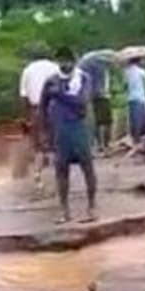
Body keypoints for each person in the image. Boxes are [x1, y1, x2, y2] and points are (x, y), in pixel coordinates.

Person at [40, 48, 97, 223]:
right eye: (62, 60)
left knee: (87, 168)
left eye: (69, 60)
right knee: (61, 170)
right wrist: (45, 132)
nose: (66, 64)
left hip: (79, 128)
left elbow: (81, 102)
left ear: (75, 60)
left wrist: (59, 94)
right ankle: (64, 211)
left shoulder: (83, 79)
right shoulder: (51, 81)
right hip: (60, 129)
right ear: (57, 61)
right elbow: (42, 107)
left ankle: (92, 207)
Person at [18, 53, 61, 186]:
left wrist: (25, 118)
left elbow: (24, 96)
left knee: (39, 146)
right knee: (56, 143)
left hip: (37, 109)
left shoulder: (28, 70)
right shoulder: (56, 68)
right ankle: (59, 174)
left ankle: (38, 175)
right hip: (55, 108)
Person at [78, 54, 113, 152]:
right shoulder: (100, 70)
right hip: (102, 97)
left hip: (97, 96)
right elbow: (100, 86)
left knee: (99, 122)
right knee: (106, 121)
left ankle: (100, 144)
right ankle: (104, 144)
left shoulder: (100, 70)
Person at [124, 57, 145, 142]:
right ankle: (139, 139)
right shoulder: (142, 72)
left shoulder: (126, 72)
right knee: (141, 119)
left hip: (131, 98)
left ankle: (134, 138)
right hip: (141, 97)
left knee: (133, 119)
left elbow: (125, 85)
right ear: (138, 61)